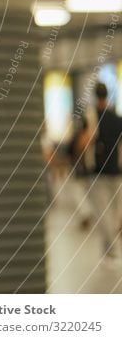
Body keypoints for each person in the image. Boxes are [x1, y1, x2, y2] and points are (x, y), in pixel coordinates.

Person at [85, 83, 122, 257]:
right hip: (116, 170)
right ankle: (108, 247)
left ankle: (111, 247)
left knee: (103, 211)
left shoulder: (91, 117)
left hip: (98, 170)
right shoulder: (116, 118)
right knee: (114, 211)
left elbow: (85, 141)